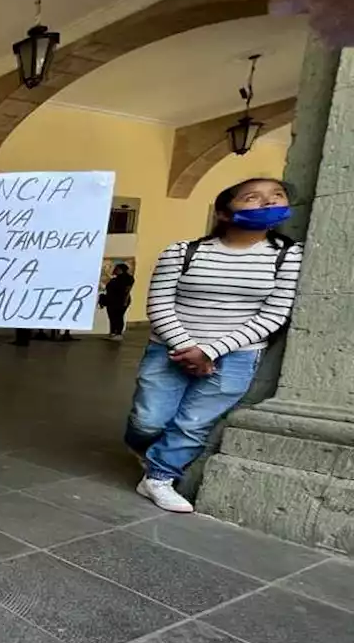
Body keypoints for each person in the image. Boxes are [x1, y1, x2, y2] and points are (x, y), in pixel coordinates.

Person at [126, 177, 301, 513]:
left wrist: (211, 351)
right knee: (148, 420)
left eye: (276, 196)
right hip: (168, 349)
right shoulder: (182, 252)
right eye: (253, 197)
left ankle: (159, 478)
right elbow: (159, 303)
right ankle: (146, 451)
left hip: (236, 355)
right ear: (223, 212)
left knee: (194, 423)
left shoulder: (289, 256)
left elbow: (276, 313)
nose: (268, 203)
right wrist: (187, 347)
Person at [102, 263, 134, 340]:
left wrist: (125, 301)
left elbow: (127, 290)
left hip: (120, 300)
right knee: (112, 317)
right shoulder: (114, 279)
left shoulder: (128, 278)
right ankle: (113, 332)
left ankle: (118, 333)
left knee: (118, 316)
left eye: (117, 269)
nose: (115, 270)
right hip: (111, 300)